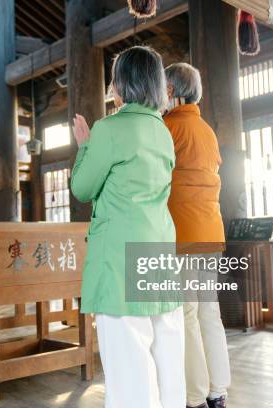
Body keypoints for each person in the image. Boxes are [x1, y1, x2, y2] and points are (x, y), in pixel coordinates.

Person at [71, 45, 184, 408]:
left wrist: (85, 147)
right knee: (168, 363)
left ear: (120, 84)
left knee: (129, 371)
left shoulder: (109, 129)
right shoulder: (162, 131)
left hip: (120, 261)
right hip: (160, 252)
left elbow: (82, 188)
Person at [163, 63, 231, 408]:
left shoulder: (167, 127)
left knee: (187, 312)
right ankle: (218, 390)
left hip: (184, 232)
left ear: (171, 92)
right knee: (209, 311)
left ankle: (193, 396)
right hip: (211, 231)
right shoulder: (207, 130)